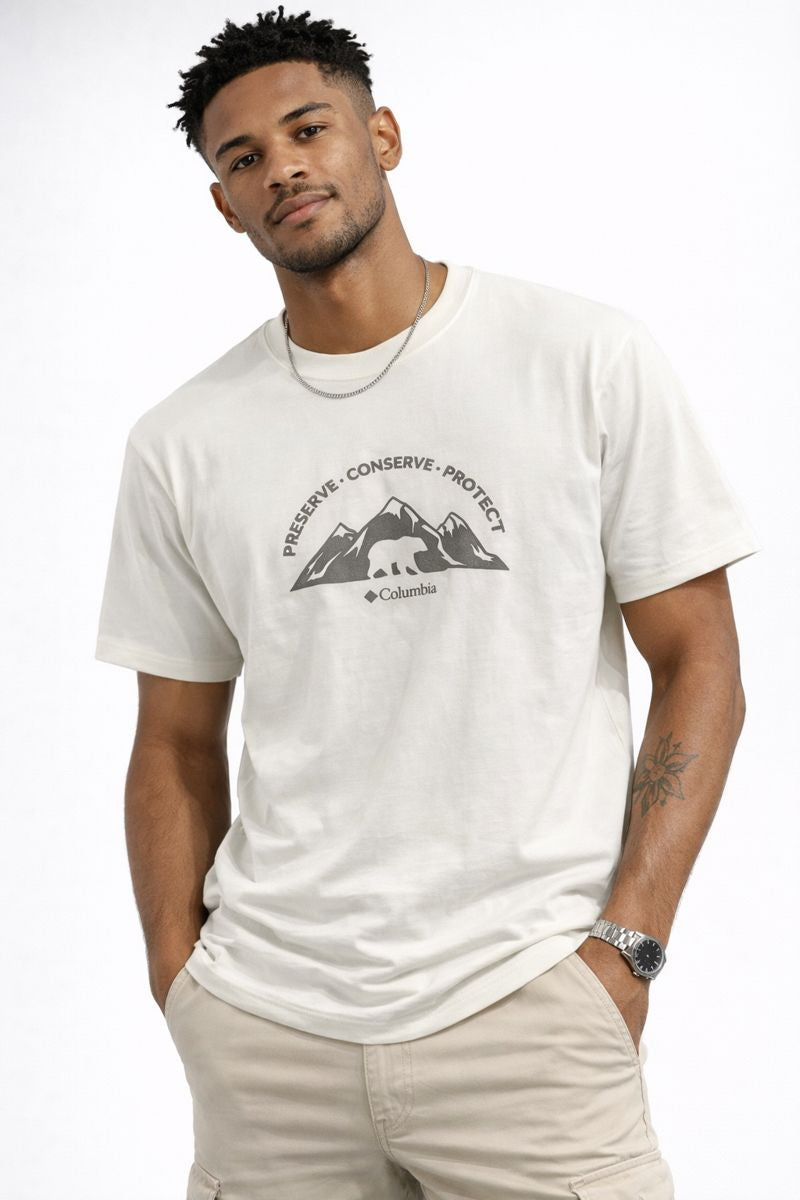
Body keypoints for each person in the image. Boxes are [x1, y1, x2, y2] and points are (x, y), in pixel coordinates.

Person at [94, 7, 761, 1198]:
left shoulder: (581, 358)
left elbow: (699, 663)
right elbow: (175, 742)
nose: (281, 166)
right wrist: (180, 982)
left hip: (526, 1009)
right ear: (223, 204)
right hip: (267, 1034)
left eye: (308, 129)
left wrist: (627, 945)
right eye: (243, 157)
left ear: (382, 137)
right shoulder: (182, 443)